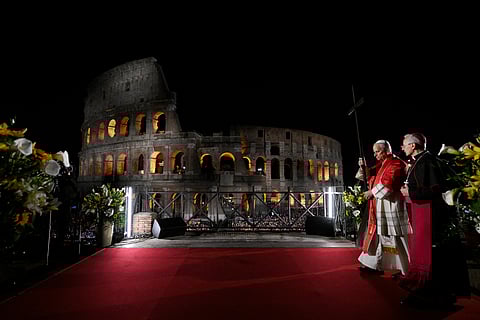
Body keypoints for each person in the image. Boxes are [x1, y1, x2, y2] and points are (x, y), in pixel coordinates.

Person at [399, 133, 470, 307]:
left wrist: (410, 193)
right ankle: (429, 290)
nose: (402, 147)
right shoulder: (421, 160)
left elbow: (434, 190)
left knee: (435, 255)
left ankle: (432, 293)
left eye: (404, 144)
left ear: (413, 146)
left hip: (433, 217)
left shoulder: (426, 162)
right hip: (424, 214)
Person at [356, 140, 410, 276]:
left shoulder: (396, 163)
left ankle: (403, 269)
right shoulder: (382, 164)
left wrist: (371, 193)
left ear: (385, 150)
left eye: (377, 152)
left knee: (395, 239)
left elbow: (388, 184)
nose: (375, 155)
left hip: (391, 205)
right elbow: (365, 176)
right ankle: (374, 266)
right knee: (379, 237)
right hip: (380, 206)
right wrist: (363, 167)